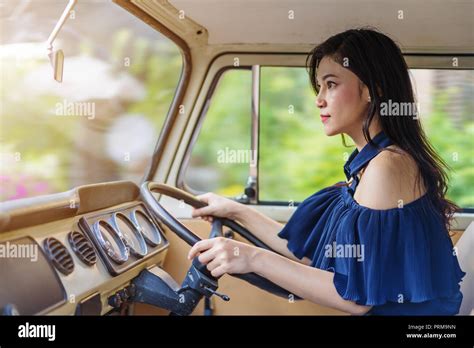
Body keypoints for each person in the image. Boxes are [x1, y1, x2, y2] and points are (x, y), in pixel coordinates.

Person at [188, 28, 465, 315]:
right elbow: (312, 252)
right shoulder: (368, 163)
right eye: (319, 87)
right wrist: (236, 212)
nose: (318, 99)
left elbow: (357, 299)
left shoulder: (389, 166)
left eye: (331, 84)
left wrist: (252, 258)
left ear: (375, 89)